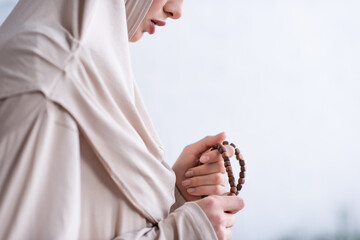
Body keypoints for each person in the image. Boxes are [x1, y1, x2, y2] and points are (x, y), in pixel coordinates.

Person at [0, 0, 245, 239]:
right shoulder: (49, 84)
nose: (176, 10)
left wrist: (176, 193)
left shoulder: (84, 68)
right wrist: (184, 233)